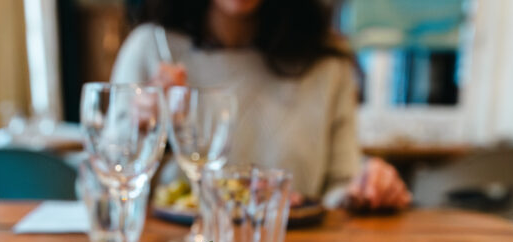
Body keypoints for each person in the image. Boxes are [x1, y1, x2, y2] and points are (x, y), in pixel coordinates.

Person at [111, 0, 410, 211]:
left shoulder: (327, 62)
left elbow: (341, 186)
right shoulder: (149, 49)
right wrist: (142, 129)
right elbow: (106, 182)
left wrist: (368, 190)